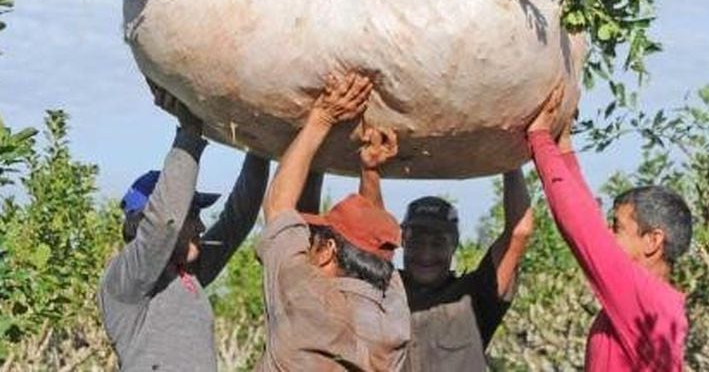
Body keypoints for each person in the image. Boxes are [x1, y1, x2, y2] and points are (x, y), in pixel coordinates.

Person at [98, 82, 272, 371]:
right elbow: (164, 224)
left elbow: (238, 219)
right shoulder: (125, 281)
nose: (202, 226)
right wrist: (189, 133)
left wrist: (261, 148)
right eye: (193, 215)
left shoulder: (188, 274)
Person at [526, 84, 693, 371]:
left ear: (653, 241)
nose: (608, 235)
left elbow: (583, 229)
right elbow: (588, 219)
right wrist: (563, 148)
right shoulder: (659, 303)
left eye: (617, 228)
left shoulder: (646, 298)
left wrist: (539, 138)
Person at [256, 72, 411, 371]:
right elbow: (376, 239)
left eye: (313, 244)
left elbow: (278, 207)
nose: (307, 250)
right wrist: (370, 171)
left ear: (327, 250)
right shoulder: (394, 321)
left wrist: (322, 118)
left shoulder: (305, 299)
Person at [394, 162, 532, 371]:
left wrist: (508, 159)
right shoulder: (384, 290)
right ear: (403, 242)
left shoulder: (473, 296)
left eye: (438, 243)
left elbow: (518, 232)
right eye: (417, 242)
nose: (426, 254)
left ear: (454, 245)